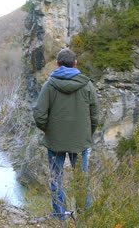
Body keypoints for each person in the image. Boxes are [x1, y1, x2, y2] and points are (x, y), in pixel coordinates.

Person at [33, 48, 100, 220]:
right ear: (75, 64)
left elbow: (39, 114)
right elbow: (95, 116)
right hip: (80, 141)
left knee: (56, 179)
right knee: (81, 180)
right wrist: (87, 134)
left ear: (57, 64)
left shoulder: (49, 85)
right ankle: (84, 219)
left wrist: (49, 131)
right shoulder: (87, 85)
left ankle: (59, 218)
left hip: (55, 142)